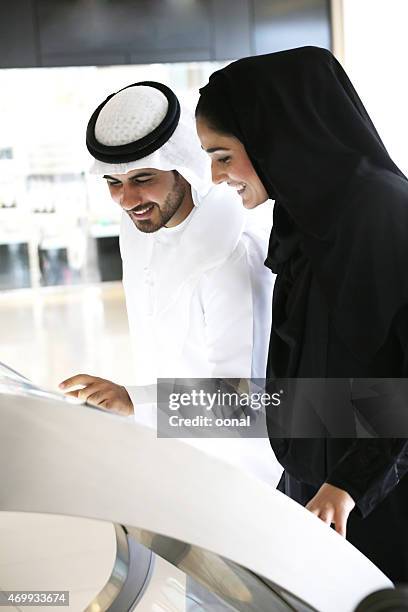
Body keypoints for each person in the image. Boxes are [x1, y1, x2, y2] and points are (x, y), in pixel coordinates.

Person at [195, 46, 408, 583]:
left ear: (277, 134)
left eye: (223, 155)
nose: (218, 177)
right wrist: (146, 402)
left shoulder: (383, 213)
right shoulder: (302, 220)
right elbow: (300, 394)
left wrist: (348, 486)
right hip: (318, 504)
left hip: (378, 514)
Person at [60, 81, 281, 485]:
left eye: (144, 177)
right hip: (174, 461)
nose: (127, 199)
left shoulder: (232, 251)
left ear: (185, 168)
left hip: (243, 479)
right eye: (113, 183)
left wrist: (135, 402)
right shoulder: (141, 231)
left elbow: (241, 402)